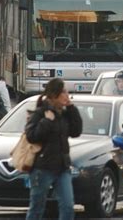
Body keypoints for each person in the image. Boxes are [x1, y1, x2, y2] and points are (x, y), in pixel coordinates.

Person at [25, 78, 82, 220]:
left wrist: (71, 108)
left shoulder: (64, 114)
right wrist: (46, 121)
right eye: (63, 92)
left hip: (62, 167)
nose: (67, 95)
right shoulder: (40, 113)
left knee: (68, 206)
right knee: (37, 208)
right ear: (54, 94)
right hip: (42, 168)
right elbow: (31, 136)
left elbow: (76, 131)